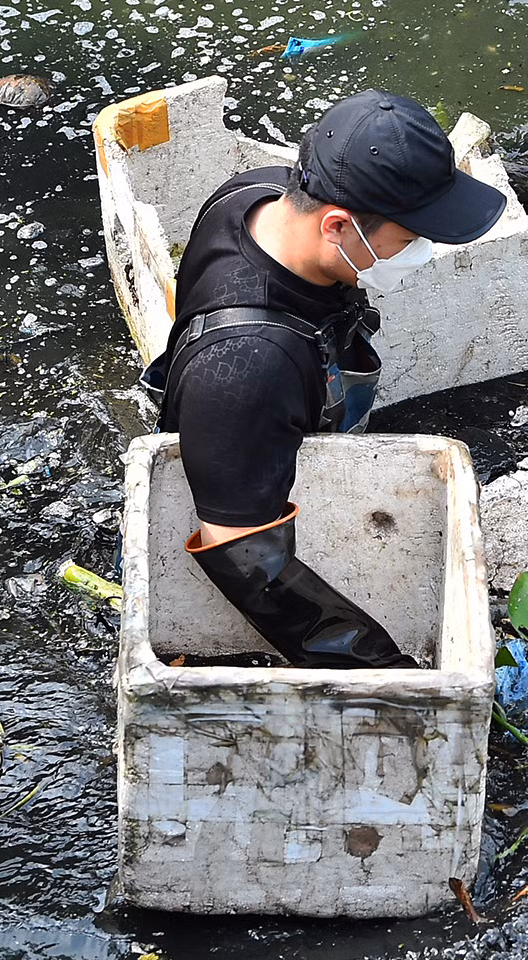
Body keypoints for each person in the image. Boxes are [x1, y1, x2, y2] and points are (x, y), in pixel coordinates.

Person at [142, 90, 505, 667]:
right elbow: (242, 557)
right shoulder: (248, 366)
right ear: (337, 225)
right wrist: (389, 677)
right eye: (409, 239)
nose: (421, 251)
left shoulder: (259, 195)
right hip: (242, 440)